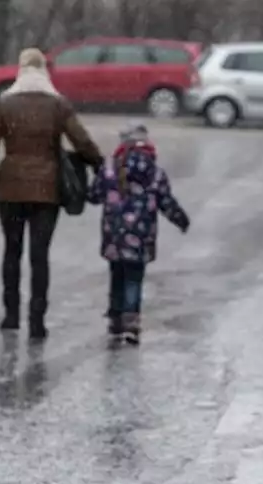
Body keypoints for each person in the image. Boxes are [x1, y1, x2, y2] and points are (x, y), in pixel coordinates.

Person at [0, 47, 104, 339]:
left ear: (21, 70)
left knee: (12, 251)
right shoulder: (58, 105)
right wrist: (102, 167)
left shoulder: (5, 104)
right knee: (40, 255)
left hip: (10, 189)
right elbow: (83, 141)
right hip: (47, 192)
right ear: (44, 71)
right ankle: (37, 320)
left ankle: (11, 316)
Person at [86, 123, 190, 345]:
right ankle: (131, 324)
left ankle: (115, 319)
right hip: (141, 237)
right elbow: (166, 202)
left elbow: (94, 196)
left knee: (117, 275)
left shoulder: (110, 169)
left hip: (113, 236)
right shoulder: (155, 173)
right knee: (134, 279)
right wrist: (180, 219)